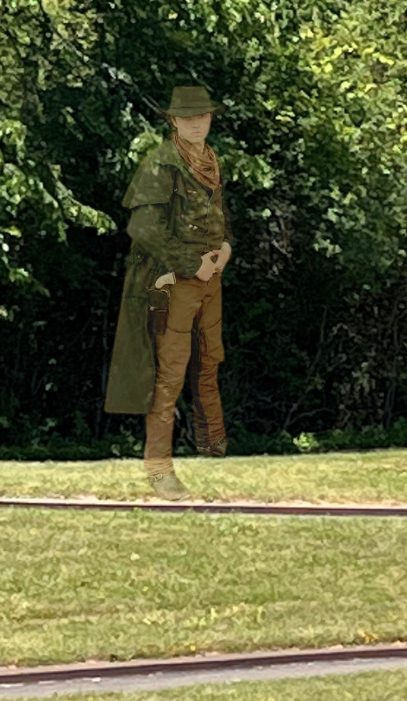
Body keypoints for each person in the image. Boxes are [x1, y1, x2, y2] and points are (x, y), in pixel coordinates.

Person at [106, 85, 235, 497]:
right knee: (169, 377)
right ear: (174, 121)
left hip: (210, 280)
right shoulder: (161, 163)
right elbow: (142, 229)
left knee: (210, 365)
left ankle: (215, 456)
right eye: (189, 117)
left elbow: (220, 218)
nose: (198, 122)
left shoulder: (211, 161)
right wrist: (189, 263)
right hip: (171, 284)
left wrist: (225, 249)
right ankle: (160, 470)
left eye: (204, 116)